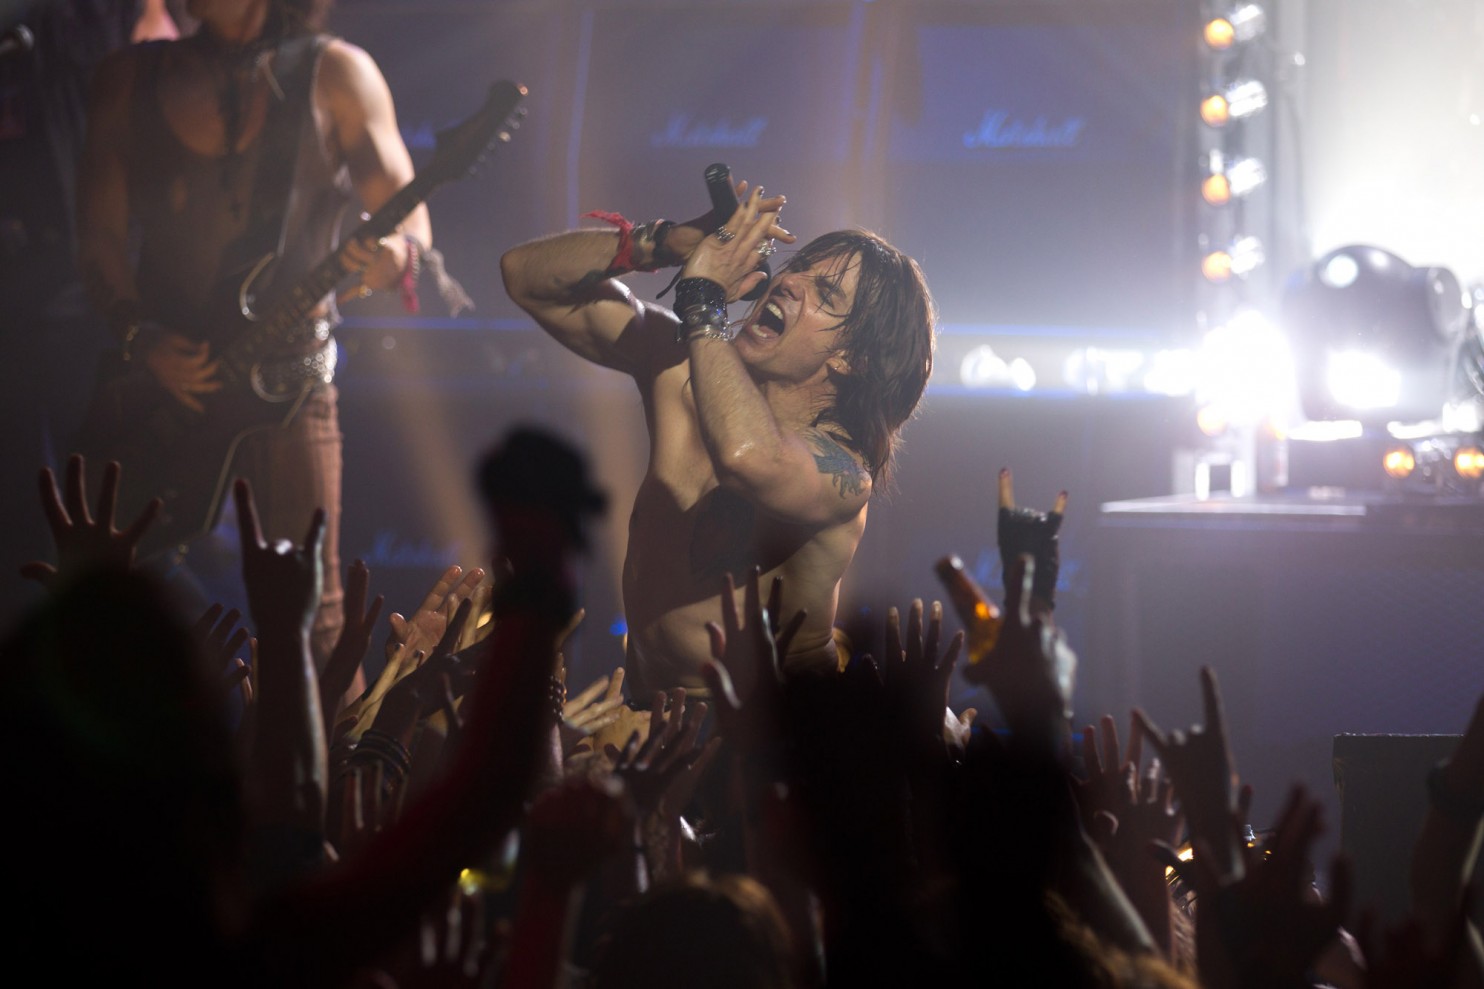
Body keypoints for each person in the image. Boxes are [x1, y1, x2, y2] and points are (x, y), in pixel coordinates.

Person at [74, 0, 431, 663]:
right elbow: (98, 236)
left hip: (290, 387)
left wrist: (394, 256)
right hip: (162, 384)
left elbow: (410, 220)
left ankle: (326, 737)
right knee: (111, 608)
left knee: (312, 619)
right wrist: (138, 336)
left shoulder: (338, 73)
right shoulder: (126, 79)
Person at [502, 180, 936, 693]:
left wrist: (703, 303)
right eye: (798, 267)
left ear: (851, 358)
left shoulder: (841, 470)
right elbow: (524, 277)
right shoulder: (681, 369)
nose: (788, 282)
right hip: (649, 708)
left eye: (825, 293)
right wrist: (662, 243)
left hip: (771, 728)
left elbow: (746, 458)